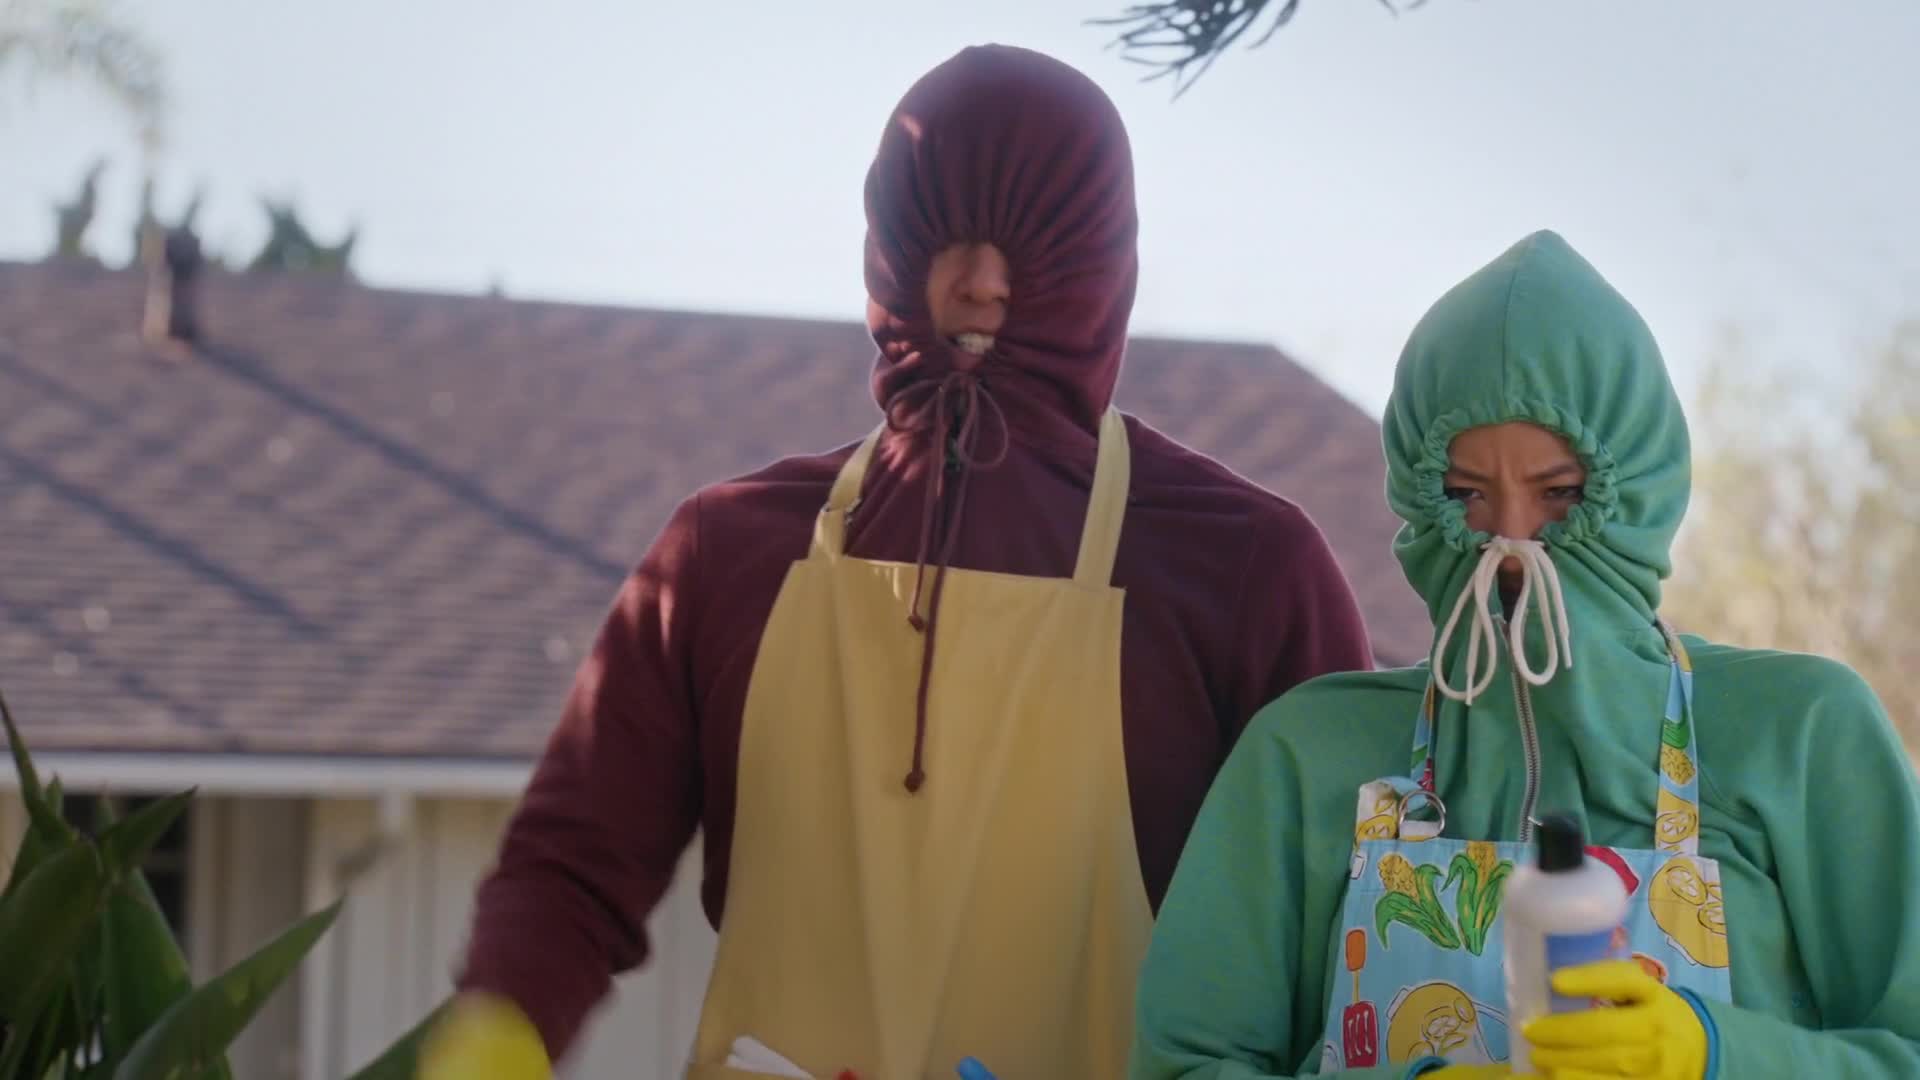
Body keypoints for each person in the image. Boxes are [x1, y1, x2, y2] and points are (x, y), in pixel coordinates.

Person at [417, 44, 1375, 1080]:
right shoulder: (725, 553)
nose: (981, 282)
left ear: (1101, 256)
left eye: (1033, 239)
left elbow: (1352, 928)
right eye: (944, 231)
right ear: (888, 242)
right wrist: (495, 1038)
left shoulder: (1246, 570)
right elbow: (571, 868)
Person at [1126, 230, 1920, 1079]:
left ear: (1639, 489)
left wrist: (1717, 1054)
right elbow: (1186, 1065)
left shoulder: (1801, 734)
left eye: (1560, 493)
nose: (1510, 540)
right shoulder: (1309, 753)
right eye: (1464, 494)